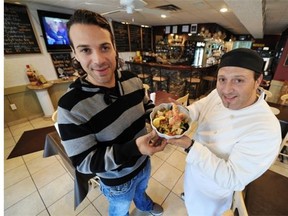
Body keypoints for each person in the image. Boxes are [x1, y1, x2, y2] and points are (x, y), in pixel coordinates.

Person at [57, 9, 166, 216]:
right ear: (74, 53)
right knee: (120, 208)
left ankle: (143, 205)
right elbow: (84, 163)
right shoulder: (70, 106)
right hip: (117, 180)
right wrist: (133, 148)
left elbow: (145, 106)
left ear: (114, 48)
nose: (98, 59)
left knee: (142, 189)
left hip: (144, 162)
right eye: (85, 50)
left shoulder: (131, 79)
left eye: (104, 47)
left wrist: (159, 119)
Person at [167, 48, 282, 215]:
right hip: (193, 173)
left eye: (238, 80)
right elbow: (200, 106)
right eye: (222, 79)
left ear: (258, 81)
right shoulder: (217, 93)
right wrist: (184, 113)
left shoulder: (266, 129)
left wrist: (190, 146)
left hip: (212, 193)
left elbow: (232, 178)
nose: (226, 90)